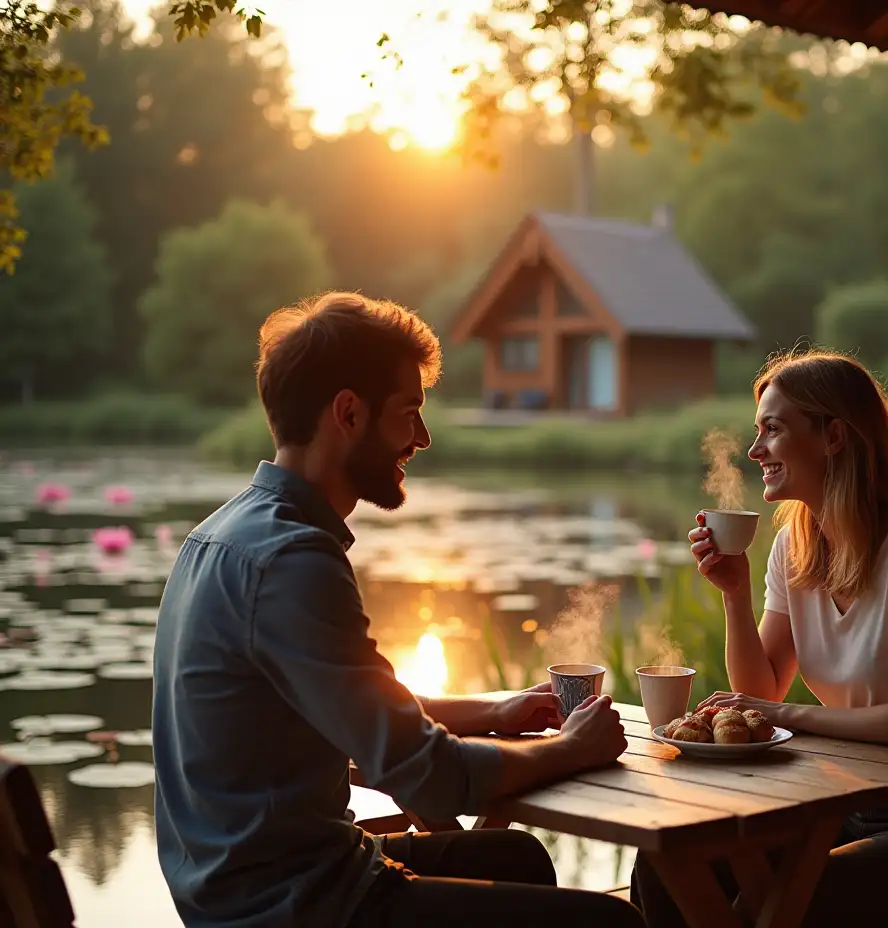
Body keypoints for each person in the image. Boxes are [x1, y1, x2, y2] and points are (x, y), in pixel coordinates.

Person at [152, 291, 644, 928]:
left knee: (514, 856)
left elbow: (351, 709)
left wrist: (496, 709)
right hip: (300, 907)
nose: (422, 437)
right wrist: (572, 749)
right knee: (615, 924)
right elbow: (430, 778)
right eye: (409, 412)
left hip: (241, 889)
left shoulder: (220, 536)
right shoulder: (292, 560)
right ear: (349, 414)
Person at [629, 349, 888, 927]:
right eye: (756, 433)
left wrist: (789, 716)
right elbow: (765, 685)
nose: (755, 453)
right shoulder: (792, 546)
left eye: (772, 430)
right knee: (665, 867)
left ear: (833, 436)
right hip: (844, 808)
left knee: (772, 909)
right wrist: (735, 594)